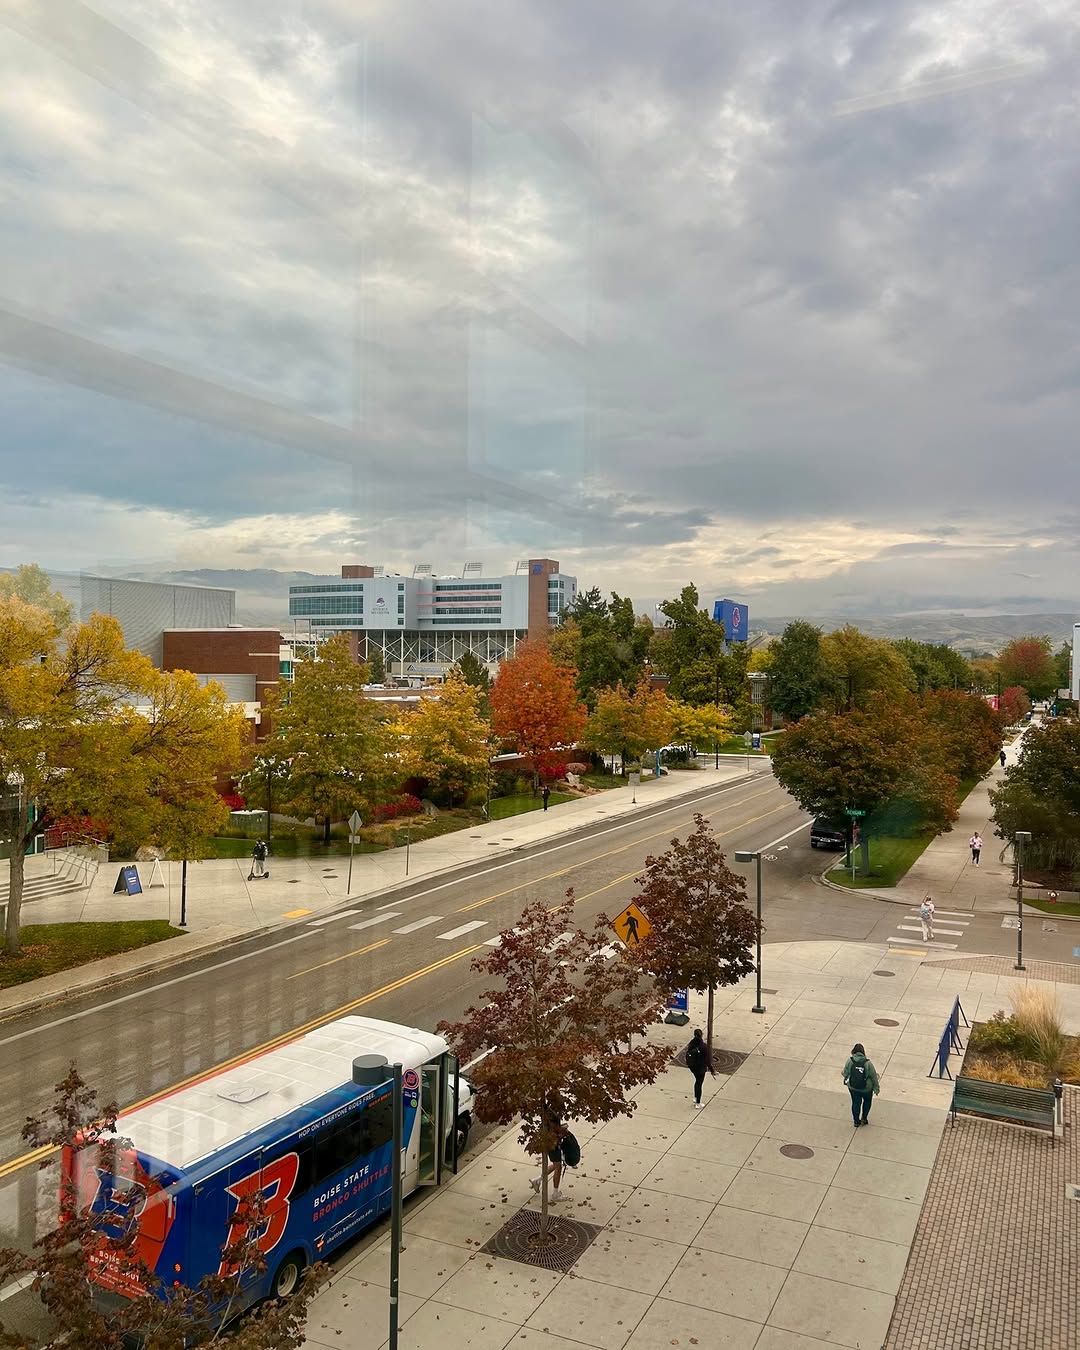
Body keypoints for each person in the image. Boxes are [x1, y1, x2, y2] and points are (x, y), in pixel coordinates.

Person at [842, 1043, 880, 1127]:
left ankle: (856, 1121)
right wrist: (876, 1088)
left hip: (853, 1087)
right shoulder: (868, 1063)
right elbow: (873, 1077)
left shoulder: (850, 1061)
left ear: (853, 1051)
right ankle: (864, 1118)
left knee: (855, 1103)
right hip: (866, 1088)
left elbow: (845, 1073)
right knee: (867, 1102)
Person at [685, 1028, 712, 1108]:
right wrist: (712, 1069)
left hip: (692, 1066)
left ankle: (695, 1097)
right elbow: (707, 1060)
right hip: (701, 1068)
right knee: (699, 1083)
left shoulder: (691, 1043)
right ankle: (698, 1102)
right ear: (702, 1035)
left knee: (697, 1082)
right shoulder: (703, 1046)